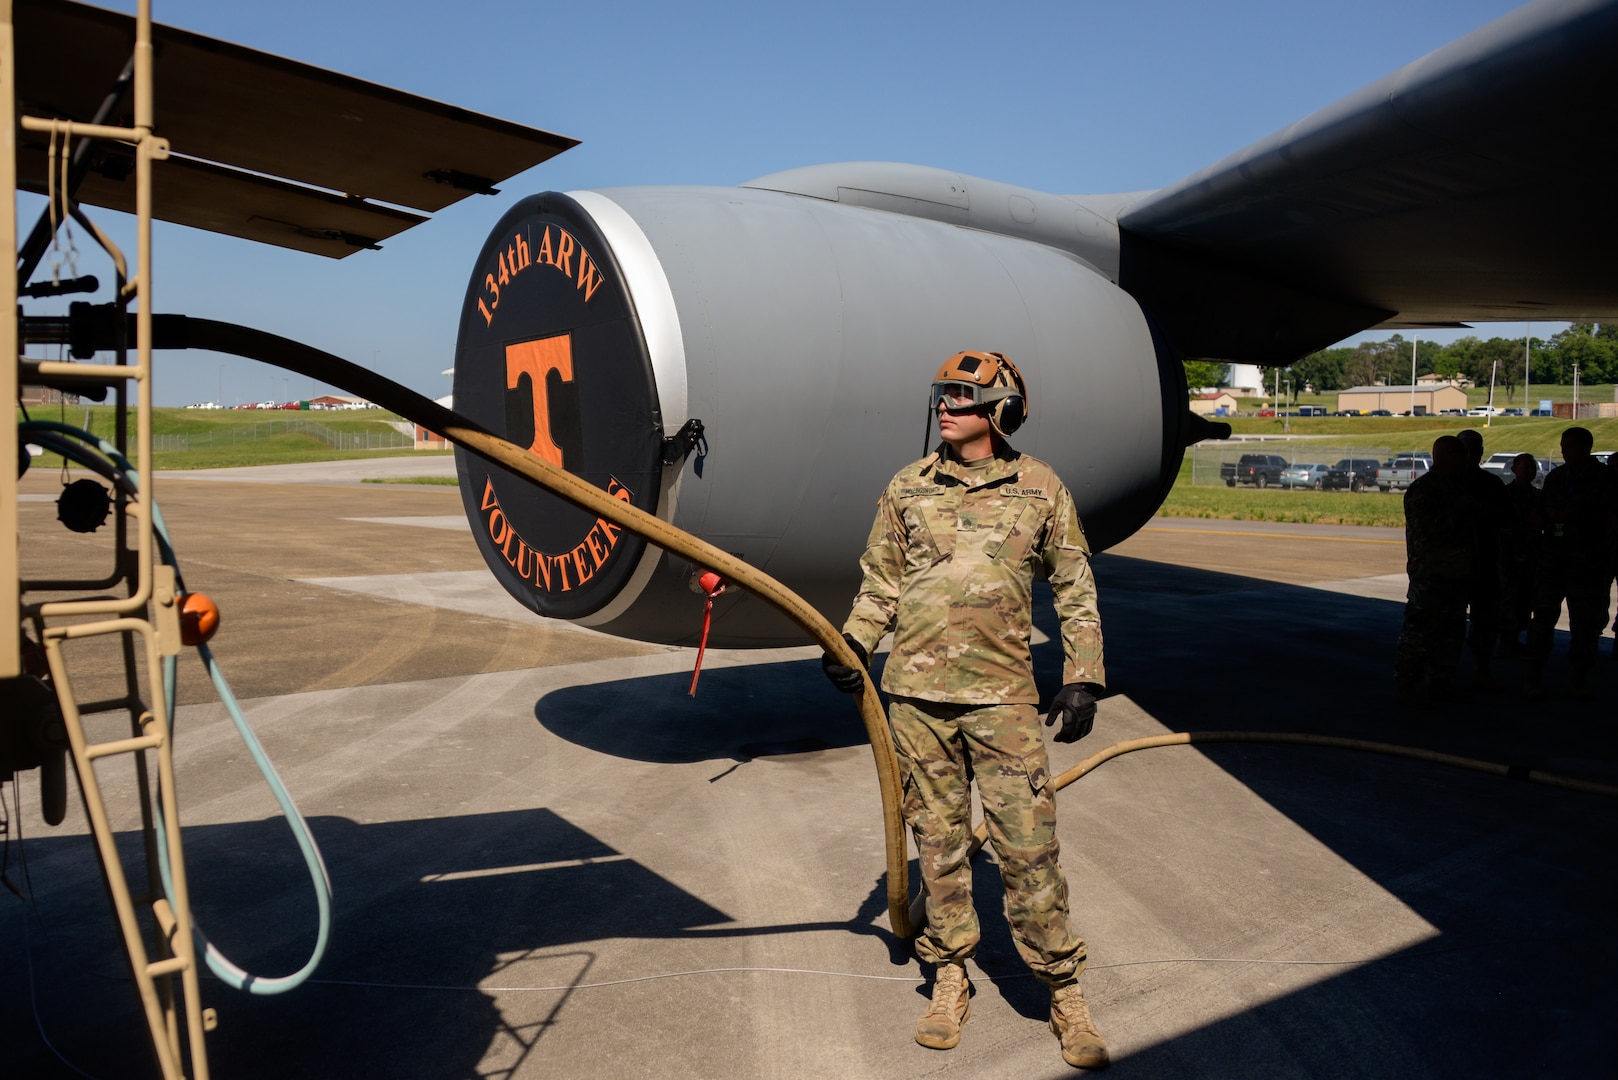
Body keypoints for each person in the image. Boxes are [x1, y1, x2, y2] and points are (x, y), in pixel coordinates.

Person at [822, 350, 1109, 1070]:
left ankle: (1064, 992)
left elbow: (1075, 585)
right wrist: (850, 643)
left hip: (1004, 699)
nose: (944, 406)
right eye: (942, 395)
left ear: (1001, 408)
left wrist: (1083, 677)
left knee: (1028, 850)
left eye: (962, 396)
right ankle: (949, 978)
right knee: (941, 850)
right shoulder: (908, 487)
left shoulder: (1040, 488)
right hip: (915, 702)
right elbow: (879, 583)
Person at [1525, 427, 1618, 699]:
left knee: (1585, 624)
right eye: (1563, 446)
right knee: (1542, 619)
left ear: (1587, 447)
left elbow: (1611, 520)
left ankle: (1579, 678)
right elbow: (1541, 514)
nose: (1565, 451)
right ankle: (1533, 675)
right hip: (1553, 560)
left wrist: (1574, 518)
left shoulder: (1605, 479)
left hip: (1588, 562)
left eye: (1571, 446)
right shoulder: (1556, 477)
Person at [1394, 435, 1476, 706]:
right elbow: (1429, 529)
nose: (1464, 459)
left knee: (1452, 634)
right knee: (1419, 634)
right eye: (1458, 453)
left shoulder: (1461, 487)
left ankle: (1443, 682)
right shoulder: (1425, 489)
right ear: (1443, 456)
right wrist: (1462, 511)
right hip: (1430, 575)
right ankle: (1407, 682)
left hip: (1456, 574)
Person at [1454, 429, 1510, 688]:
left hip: (1485, 562)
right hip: (1451, 565)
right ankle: (1443, 674)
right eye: (1465, 451)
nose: (1470, 457)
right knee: (1447, 622)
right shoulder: (1443, 483)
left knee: (1486, 620)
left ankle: (1482, 669)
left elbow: (1506, 519)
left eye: (1475, 451)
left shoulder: (1491, 484)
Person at [1497, 452, 1544, 660]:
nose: (1530, 472)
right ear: (1514, 470)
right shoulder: (1505, 496)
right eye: (1526, 468)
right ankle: (1506, 641)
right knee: (1508, 604)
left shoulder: (1538, 497)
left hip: (1530, 559)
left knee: (1525, 603)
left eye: (1532, 468)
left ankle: (1515, 638)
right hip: (1508, 559)